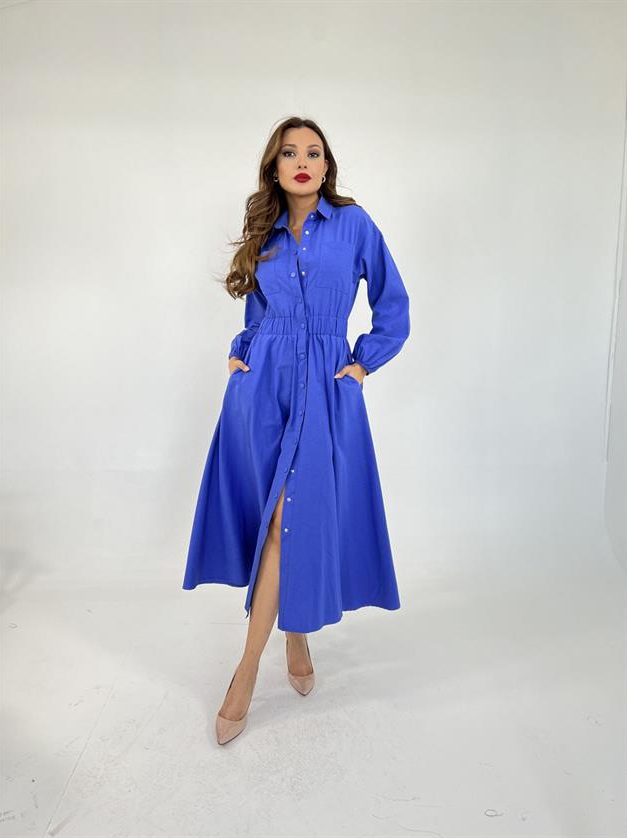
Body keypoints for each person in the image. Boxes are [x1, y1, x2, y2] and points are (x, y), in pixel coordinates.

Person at [182, 116, 411, 745]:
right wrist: (240, 356)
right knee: (277, 518)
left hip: (326, 390)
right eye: (290, 153)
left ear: (327, 165)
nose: (303, 161)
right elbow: (257, 315)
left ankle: (246, 672)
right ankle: (296, 635)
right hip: (263, 391)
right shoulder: (267, 232)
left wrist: (362, 363)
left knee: (290, 515)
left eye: (314, 152)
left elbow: (394, 305)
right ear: (275, 167)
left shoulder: (356, 226)